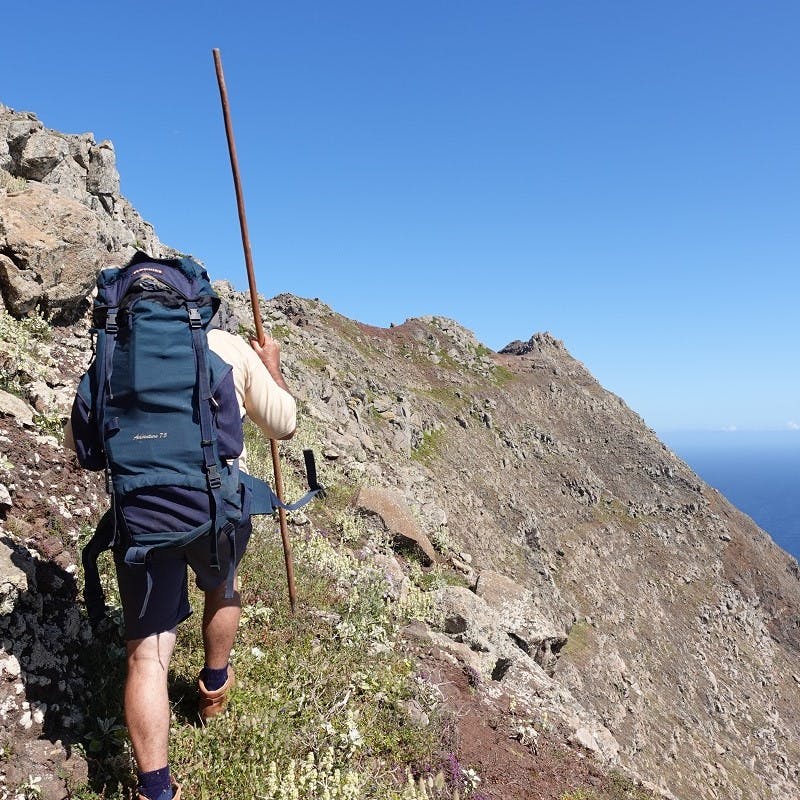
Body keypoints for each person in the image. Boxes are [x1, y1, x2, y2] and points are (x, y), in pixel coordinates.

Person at [66, 324, 296, 800]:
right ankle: (213, 689)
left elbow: (80, 445)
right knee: (224, 585)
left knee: (147, 656)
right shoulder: (227, 346)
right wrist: (271, 369)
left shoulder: (116, 353)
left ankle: (154, 789)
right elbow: (284, 424)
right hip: (215, 511)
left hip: (144, 516)